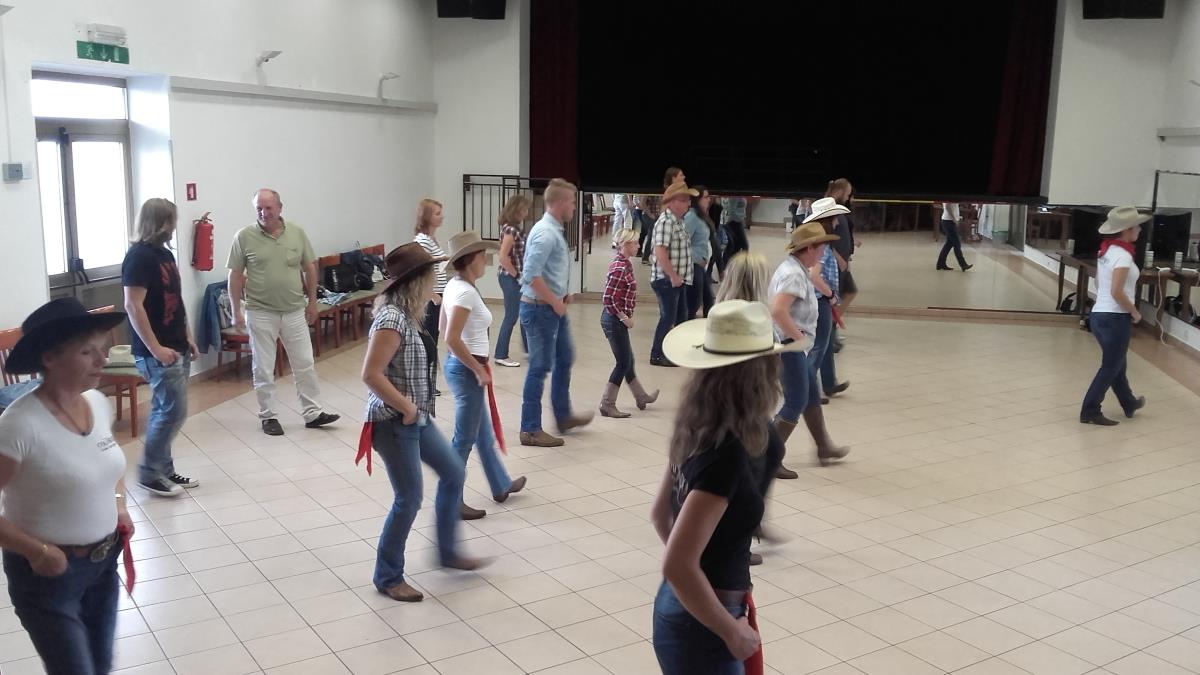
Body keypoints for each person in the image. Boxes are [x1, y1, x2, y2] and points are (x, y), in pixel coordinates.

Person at [649, 299, 799, 674]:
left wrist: (702, 572)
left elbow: (660, 516)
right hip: (704, 626)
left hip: (684, 607)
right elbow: (678, 564)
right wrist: (729, 629)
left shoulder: (697, 423)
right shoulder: (730, 452)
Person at [0, 298, 132, 675]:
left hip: (103, 564)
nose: (102, 359)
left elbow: (110, 465)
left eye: (101, 349)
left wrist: (119, 506)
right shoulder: (18, 425)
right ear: (50, 359)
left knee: (99, 667)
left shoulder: (97, 403)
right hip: (47, 575)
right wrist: (38, 551)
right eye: (87, 351)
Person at [362, 243, 479, 603]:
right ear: (415, 281)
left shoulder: (410, 314)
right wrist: (406, 407)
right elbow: (371, 374)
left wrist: (416, 411)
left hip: (416, 417)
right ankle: (388, 577)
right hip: (394, 422)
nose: (435, 280)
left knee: (454, 472)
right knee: (409, 498)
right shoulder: (392, 319)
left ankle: (447, 552)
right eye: (430, 275)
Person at [228, 189, 340, 436]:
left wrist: (312, 303)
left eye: (268, 208)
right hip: (260, 311)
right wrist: (236, 311)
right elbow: (234, 276)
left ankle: (313, 413)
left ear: (280, 208)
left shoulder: (297, 233)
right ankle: (268, 416)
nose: (263, 213)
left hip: (294, 310)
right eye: (259, 208)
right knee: (263, 367)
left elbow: (310, 269)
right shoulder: (244, 237)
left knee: (305, 363)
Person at [441, 231, 527, 520]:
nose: (487, 261)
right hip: (468, 370)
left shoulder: (456, 285)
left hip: (460, 366)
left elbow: (443, 330)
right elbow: (451, 337)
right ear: (470, 259)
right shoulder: (465, 292)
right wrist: (477, 369)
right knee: (463, 440)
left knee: (482, 434)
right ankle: (451, 500)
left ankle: (500, 484)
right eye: (482, 256)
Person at [121, 198, 199, 498]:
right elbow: (133, 305)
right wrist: (155, 348)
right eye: (172, 220)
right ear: (162, 222)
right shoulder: (139, 257)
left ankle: (164, 469)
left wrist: (188, 336)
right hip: (156, 352)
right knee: (173, 412)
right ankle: (149, 472)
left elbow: (175, 299)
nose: (174, 226)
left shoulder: (164, 254)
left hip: (176, 344)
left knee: (164, 411)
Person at [769, 222, 850, 476]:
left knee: (811, 394)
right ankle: (767, 457)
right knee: (796, 401)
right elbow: (778, 310)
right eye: (821, 246)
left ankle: (823, 446)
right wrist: (798, 338)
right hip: (789, 347)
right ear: (809, 248)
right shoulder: (794, 274)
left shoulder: (796, 269)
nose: (824, 251)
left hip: (792, 345)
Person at [519, 178, 593, 447]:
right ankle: (530, 429)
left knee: (565, 356)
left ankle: (563, 416)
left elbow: (549, 271)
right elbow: (530, 275)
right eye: (572, 202)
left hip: (551, 308)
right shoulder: (545, 233)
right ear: (561, 203)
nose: (574, 207)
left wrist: (563, 294)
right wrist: (554, 300)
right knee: (539, 367)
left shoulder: (552, 230)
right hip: (540, 309)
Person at [1081, 206, 1149, 426]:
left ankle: (1129, 403)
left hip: (1099, 315)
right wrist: (1134, 312)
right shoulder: (1123, 256)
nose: (1139, 229)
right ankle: (1090, 410)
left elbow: (1099, 283)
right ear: (1127, 230)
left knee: (1117, 363)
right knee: (1111, 366)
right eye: (1137, 226)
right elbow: (1117, 292)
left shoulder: (1107, 251)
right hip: (1115, 318)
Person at [599, 229, 659, 418]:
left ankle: (640, 396)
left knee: (628, 359)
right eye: (635, 243)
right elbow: (608, 298)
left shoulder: (625, 264)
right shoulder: (619, 268)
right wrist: (624, 317)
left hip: (616, 320)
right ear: (625, 245)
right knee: (623, 362)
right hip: (614, 320)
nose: (639, 246)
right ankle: (607, 403)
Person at [804, 198, 851, 401]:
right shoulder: (820, 244)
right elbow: (814, 276)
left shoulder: (822, 242)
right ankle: (808, 390)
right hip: (820, 300)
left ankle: (829, 383)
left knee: (827, 343)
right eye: (835, 218)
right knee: (819, 346)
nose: (838, 222)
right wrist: (830, 295)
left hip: (822, 299)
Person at [650, 181, 699, 367]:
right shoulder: (666, 222)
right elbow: (660, 251)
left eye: (688, 200)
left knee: (680, 316)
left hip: (677, 280)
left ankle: (675, 352)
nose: (688, 203)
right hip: (666, 280)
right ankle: (657, 355)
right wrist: (673, 275)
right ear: (671, 202)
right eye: (684, 200)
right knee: (668, 318)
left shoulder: (678, 221)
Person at [413, 198, 451, 369]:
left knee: (433, 336)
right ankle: (426, 374)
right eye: (437, 213)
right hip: (431, 298)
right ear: (427, 216)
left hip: (438, 294)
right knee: (428, 338)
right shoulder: (422, 241)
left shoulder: (431, 239)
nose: (442, 216)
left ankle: (430, 374)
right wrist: (434, 296)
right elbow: (420, 273)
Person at [495, 195, 531, 368]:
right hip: (509, 277)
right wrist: (517, 276)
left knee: (524, 313)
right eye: (523, 209)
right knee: (511, 316)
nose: (526, 212)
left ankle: (530, 350)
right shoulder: (510, 230)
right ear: (515, 210)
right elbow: (503, 257)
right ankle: (501, 354)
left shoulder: (515, 229)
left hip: (514, 277)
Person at [641, 168, 686, 263]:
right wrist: (650, 214)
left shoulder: (666, 189)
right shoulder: (650, 188)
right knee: (652, 234)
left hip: (658, 215)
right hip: (648, 215)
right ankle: (646, 257)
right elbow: (642, 203)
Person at [684, 186, 716, 318]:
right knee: (694, 303)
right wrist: (697, 258)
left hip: (700, 266)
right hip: (692, 265)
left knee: (708, 299)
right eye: (706, 197)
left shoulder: (701, 216)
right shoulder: (691, 217)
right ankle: (685, 326)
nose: (709, 200)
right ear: (697, 199)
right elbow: (682, 243)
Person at [936, 201, 973, 271]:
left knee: (949, 244)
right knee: (957, 244)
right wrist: (954, 219)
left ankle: (940, 264)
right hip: (949, 221)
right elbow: (947, 206)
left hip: (948, 221)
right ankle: (963, 264)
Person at [721, 196, 750, 267]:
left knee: (736, 246)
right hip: (734, 222)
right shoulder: (735, 197)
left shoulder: (742, 195)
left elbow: (741, 209)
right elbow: (731, 210)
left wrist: (742, 218)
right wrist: (739, 219)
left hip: (739, 222)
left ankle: (731, 265)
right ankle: (743, 265)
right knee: (744, 245)